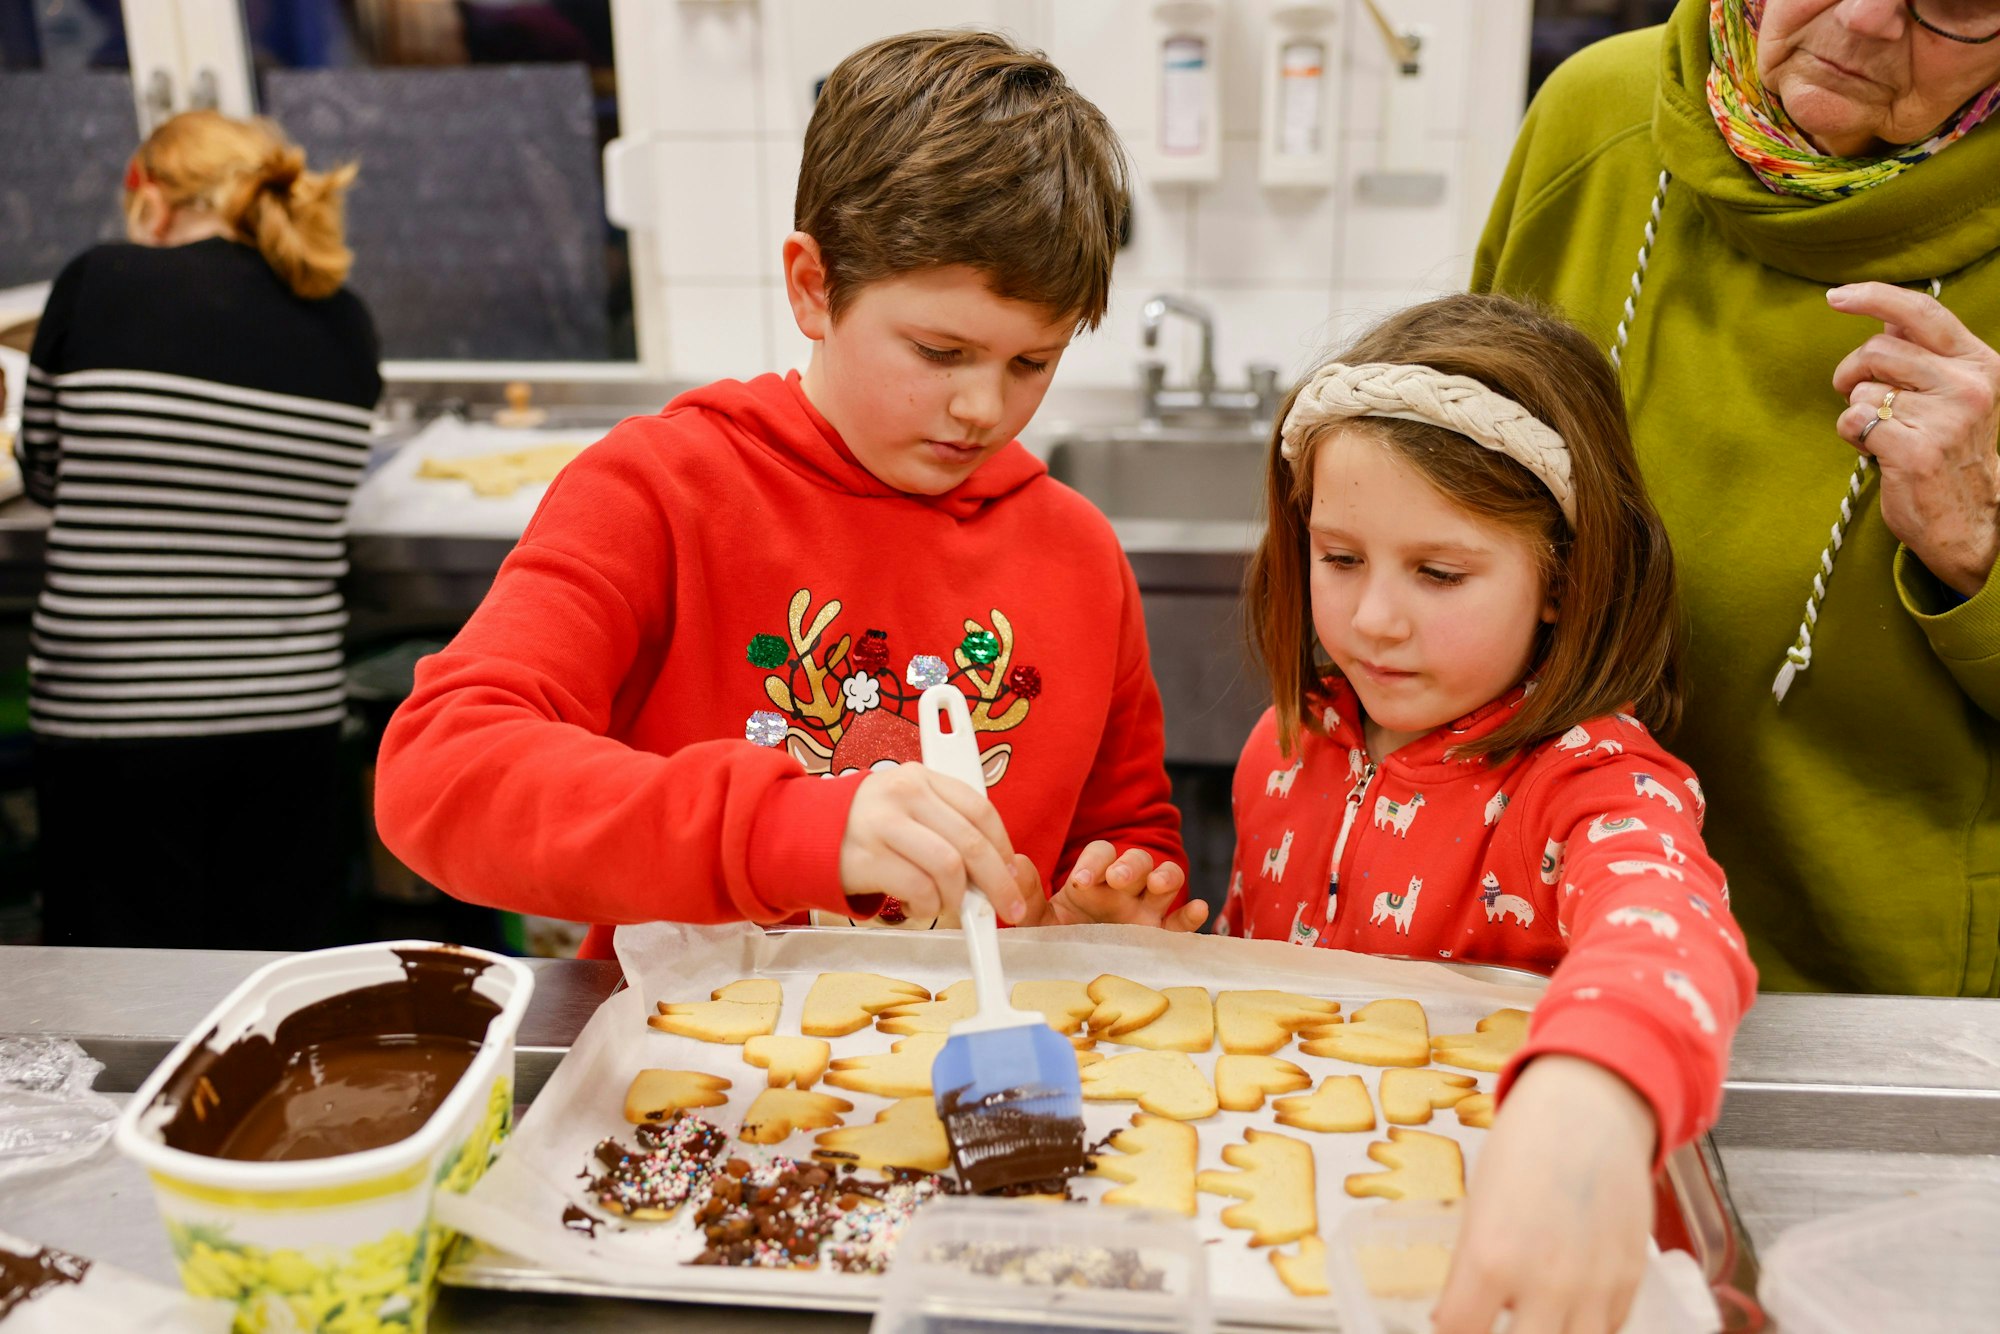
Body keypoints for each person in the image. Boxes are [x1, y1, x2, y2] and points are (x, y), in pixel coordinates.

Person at [374, 30, 1196, 960]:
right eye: (940, 352)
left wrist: (1104, 917)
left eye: (1031, 363)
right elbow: (440, 775)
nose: (983, 407)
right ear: (812, 287)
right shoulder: (658, 493)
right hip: (693, 1041)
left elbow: (1126, 834)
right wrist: (789, 828)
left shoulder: (1078, 553)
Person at [1039, 294, 1758, 1333]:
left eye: (1438, 572)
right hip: (1280, 1268)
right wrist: (1152, 959)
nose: (1374, 618)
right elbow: (1267, 1008)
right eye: (1340, 559)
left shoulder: (1591, 784)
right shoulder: (1283, 749)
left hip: (1491, 1274)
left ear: (1562, 579)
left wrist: (1594, 1091)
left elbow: (1669, 928)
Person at [1473, 0, 2000, 996]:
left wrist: (1977, 547)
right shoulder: (1595, 115)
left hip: (1868, 997)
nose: (1863, 20)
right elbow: (1445, 485)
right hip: (1529, 956)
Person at [17, 110, 380, 949]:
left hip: (115, 719)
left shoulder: (100, 281)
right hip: (290, 716)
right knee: (274, 982)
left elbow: (45, 475)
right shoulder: (345, 319)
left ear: (153, 201)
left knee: (123, 988)